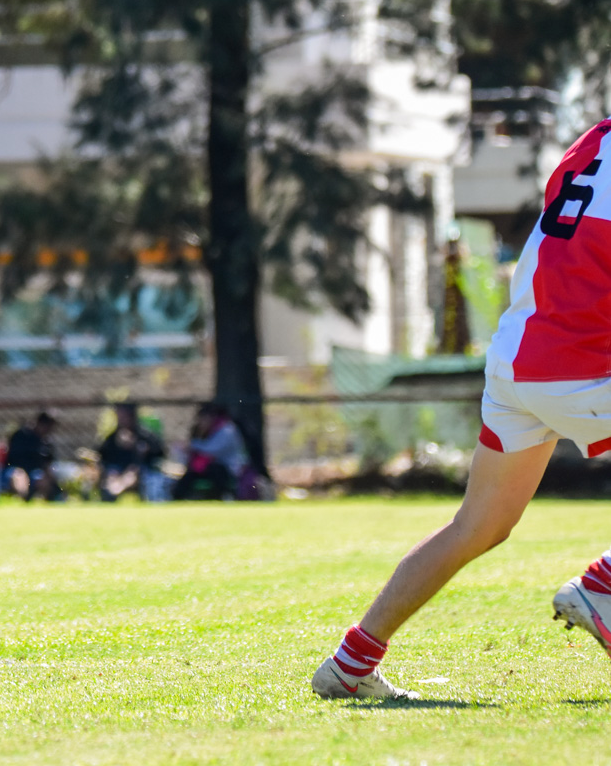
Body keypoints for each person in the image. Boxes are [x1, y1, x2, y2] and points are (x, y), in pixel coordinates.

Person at [312, 117, 611, 700]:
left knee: (478, 525)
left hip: (516, 361)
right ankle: (603, 584)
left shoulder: (592, 141)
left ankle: (350, 664)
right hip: (579, 366)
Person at [172, 402, 248, 501]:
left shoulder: (227, 429)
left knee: (215, 470)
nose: (201, 422)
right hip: (206, 467)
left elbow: (214, 450)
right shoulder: (202, 432)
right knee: (191, 474)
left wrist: (193, 445)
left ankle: (225, 495)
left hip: (227, 468)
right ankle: (177, 497)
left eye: (204, 419)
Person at [98, 402, 167, 502]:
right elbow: (103, 455)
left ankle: (119, 486)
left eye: (125, 416)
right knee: (112, 474)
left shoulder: (144, 435)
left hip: (139, 471)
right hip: (117, 471)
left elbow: (159, 453)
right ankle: (115, 488)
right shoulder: (113, 437)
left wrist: (136, 445)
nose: (122, 419)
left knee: (132, 474)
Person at [2, 410, 61, 500]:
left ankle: (46, 500)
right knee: (19, 476)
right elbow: (13, 457)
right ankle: (22, 500)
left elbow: (48, 462)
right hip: (16, 469)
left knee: (43, 479)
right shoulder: (22, 435)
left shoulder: (46, 442)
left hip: (35, 471)